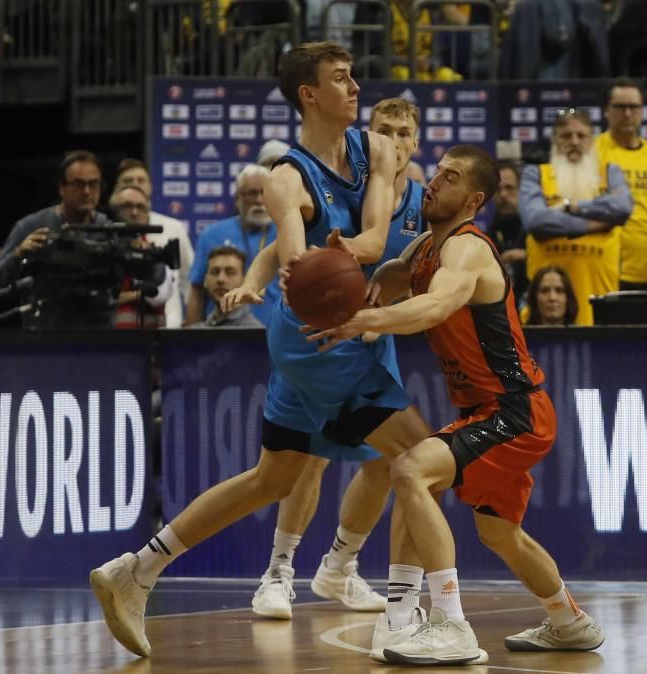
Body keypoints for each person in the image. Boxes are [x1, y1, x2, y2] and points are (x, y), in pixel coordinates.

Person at [88, 42, 441, 662]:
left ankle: (135, 570)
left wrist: (341, 254)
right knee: (419, 458)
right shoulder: (287, 180)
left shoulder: (379, 149)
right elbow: (297, 256)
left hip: (355, 327)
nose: (355, 87)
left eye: (354, 75)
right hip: (317, 339)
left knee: (272, 478)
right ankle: (404, 616)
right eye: (340, 79)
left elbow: (378, 237)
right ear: (309, 95)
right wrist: (305, 266)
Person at [311, 144, 604, 663]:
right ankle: (569, 620)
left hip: (514, 411)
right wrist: (345, 262)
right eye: (436, 172)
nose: (434, 182)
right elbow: (392, 277)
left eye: (449, 177)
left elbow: (437, 304)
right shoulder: (428, 245)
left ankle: (451, 623)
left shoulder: (468, 249)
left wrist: (364, 322)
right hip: (489, 412)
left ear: (474, 198)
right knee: (500, 532)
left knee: (411, 469)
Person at [224, 97, 429, 621]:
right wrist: (252, 283)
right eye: (383, 130)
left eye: (404, 132)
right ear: (368, 135)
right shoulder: (352, 183)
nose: (393, 141)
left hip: (371, 340)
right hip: (318, 340)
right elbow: (281, 251)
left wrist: (395, 309)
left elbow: (423, 278)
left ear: (416, 141)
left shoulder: (425, 205)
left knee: (389, 463)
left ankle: (340, 565)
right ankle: (278, 573)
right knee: (306, 460)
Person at [520, 109, 633, 325]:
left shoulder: (610, 173)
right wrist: (596, 223)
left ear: (592, 141)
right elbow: (535, 221)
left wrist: (572, 207)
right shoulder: (536, 174)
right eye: (566, 136)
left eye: (581, 136)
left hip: (601, 305)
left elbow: (623, 208)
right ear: (554, 140)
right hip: (544, 313)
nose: (574, 142)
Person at [0, 151, 110, 320]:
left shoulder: (109, 230)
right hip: (45, 335)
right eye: (78, 184)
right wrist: (18, 255)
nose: (87, 191)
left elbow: (156, 277)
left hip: (100, 334)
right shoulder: (31, 226)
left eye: (93, 184)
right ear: (61, 187)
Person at [596, 77, 647, 289]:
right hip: (604, 266)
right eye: (620, 107)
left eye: (634, 107)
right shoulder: (592, 151)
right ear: (606, 111)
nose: (627, 113)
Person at [185, 164, 279, 326]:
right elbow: (197, 288)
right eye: (251, 193)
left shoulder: (285, 232)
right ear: (237, 198)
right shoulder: (212, 235)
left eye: (264, 192)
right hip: (222, 334)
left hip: (276, 331)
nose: (258, 200)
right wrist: (192, 336)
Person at [114, 158, 195, 328]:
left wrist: (193, 322)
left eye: (141, 180)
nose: (136, 184)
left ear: (150, 187)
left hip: (170, 325)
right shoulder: (107, 233)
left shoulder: (174, 228)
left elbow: (189, 280)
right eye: (129, 181)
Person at [107, 185, 174, 330]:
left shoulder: (156, 251)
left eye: (141, 207)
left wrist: (127, 295)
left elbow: (159, 296)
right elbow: (97, 300)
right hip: (107, 343)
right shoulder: (102, 248)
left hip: (150, 345)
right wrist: (139, 294)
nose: (134, 212)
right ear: (113, 210)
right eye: (126, 206)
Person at [188, 245, 263, 328]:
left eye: (230, 272)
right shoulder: (194, 332)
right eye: (214, 272)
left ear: (244, 280)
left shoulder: (255, 333)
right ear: (205, 280)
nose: (220, 279)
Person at [487, 160, 528, 300]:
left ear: (522, 190)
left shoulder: (535, 227)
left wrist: (528, 255)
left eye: (509, 188)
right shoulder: (491, 230)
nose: (503, 194)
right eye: (498, 189)